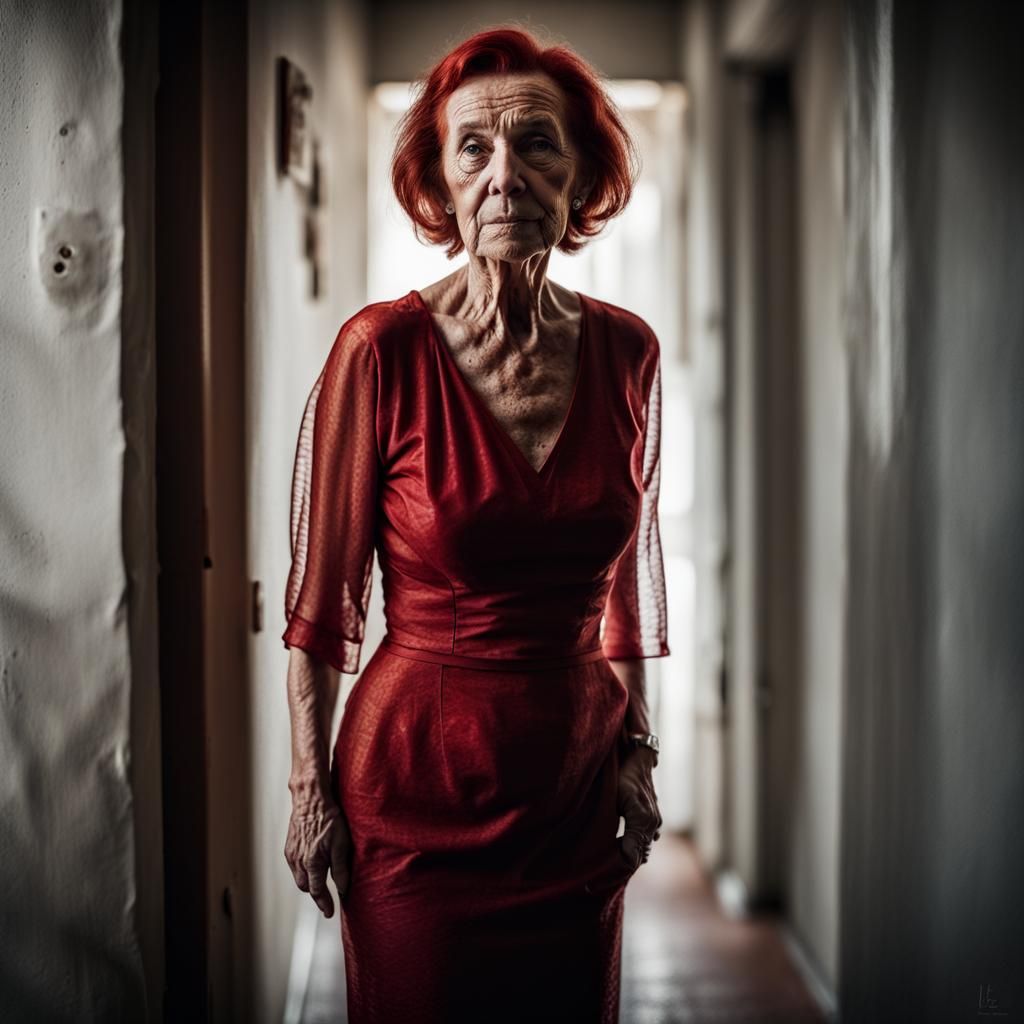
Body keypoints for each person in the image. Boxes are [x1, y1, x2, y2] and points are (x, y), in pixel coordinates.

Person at [282, 26, 670, 1024]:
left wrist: (637, 751)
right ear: (440, 185)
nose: (506, 176)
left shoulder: (629, 353)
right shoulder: (380, 350)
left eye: (536, 143)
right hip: (413, 799)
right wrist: (308, 792)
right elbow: (320, 607)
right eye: (474, 149)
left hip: (573, 794)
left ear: (580, 172)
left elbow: (626, 589)